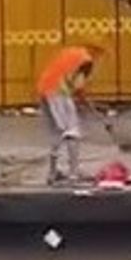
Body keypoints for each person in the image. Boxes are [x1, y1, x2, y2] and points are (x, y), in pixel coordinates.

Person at [37, 44, 103, 184]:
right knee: (72, 131)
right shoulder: (86, 61)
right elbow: (78, 87)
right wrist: (86, 102)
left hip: (44, 90)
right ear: (96, 52)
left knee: (56, 132)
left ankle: (53, 172)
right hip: (59, 93)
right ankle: (74, 172)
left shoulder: (70, 53)